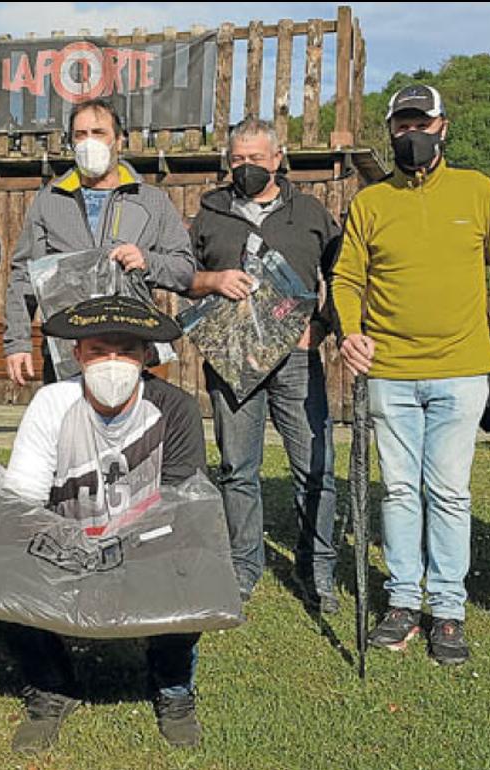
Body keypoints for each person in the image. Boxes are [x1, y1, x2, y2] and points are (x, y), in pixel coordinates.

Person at [332, 84, 490, 666]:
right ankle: (404, 601)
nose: (413, 135)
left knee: (449, 491)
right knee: (401, 490)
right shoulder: (371, 202)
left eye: (422, 123)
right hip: (391, 370)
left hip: (462, 369)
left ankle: (449, 609)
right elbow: (347, 279)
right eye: (403, 125)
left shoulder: (478, 191)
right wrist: (351, 331)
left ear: (443, 127)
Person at [0, 296, 207, 752]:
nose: (111, 363)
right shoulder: (53, 402)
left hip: (149, 545)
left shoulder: (176, 409)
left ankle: (172, 684)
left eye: (125, 351)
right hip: (66, 544)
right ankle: (51, 685)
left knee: (192, 559)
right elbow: (23, 499)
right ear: (76, 355)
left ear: (145, 356)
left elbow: (182, 503)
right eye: (97, 351)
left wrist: (127, 546)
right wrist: (62, 548)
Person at [188, 116, 341, 611]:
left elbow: (345, 273)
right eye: (238, 160)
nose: (247, 167)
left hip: (297, 359)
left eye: (257, 158)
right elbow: (184, 276)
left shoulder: (312, 212)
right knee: (237, 468)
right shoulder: (208, 213)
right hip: (233, 358)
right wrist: (212, 284)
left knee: (315, 468)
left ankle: (317, 568)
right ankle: (244, 565)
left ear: (278, 158)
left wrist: (324, 324)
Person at [3, 97, 196, 385]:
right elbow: (23, 277)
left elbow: (184, 271)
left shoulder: (152, 201)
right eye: (80, 135)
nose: (88, 142)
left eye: (98, 133)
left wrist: (148, 261)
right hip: (68, 353)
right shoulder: (49, 200)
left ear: (119, 140)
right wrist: (17, 342)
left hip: (131, 350)